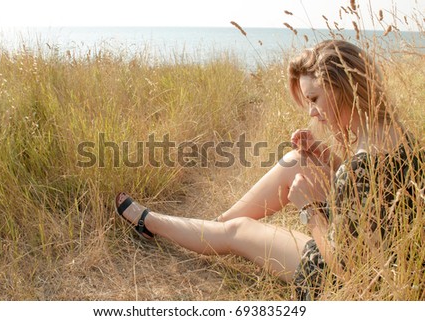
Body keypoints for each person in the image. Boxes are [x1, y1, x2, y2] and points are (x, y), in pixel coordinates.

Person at [114, 40, 423, 300]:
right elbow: (374, 195)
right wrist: (324, 155)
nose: (313, 112)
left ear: (345, 87)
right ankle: (212, 229)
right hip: (385, 255)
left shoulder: (361, 164)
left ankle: (157, 223)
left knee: (239, 230)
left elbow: (347, 266)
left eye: (314, 99)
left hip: (346, 280)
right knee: (296, 159)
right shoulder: (399, 136)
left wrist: (309, 208)